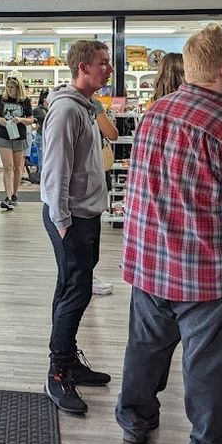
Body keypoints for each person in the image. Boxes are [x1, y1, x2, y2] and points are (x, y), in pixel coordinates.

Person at [115, 25, 222, 444]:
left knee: (145, 349)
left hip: (150, 258)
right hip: (207, 269)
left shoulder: (156, 112)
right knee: (211, 364)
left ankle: (135, 419)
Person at [40, 40, 113, 415]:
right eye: (103, 63)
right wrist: (63, 221)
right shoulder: (67, 111)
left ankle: (67, 360)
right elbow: (55, 170)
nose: (109, 69)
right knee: (75, 292)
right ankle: (57, 372)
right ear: (83, 66)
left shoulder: (85, 108)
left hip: (84, 215)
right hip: (71, 219)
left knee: (71, 288)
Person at [89, 94, 119, 297]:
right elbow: (112, 133)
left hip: (81, 175)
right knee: (91, 227)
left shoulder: (62, 101)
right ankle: (87, 277)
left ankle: (83, 277)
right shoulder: (93, 103)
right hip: (95, 168)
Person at [0, 75, 33, 210]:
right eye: (8, 87)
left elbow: (31, 119)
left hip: (19, 136)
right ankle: (8, 196)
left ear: (18, 88)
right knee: (8, 166)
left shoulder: (24, 101)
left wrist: (20, 120)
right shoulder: (1, 99)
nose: (10, 90)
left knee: (17, 168)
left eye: (12, 87)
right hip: (4, 135)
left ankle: (15, 194)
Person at [33, 88, 49, 168]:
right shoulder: (38, 110)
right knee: (42, 159)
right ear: (44, 99)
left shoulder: (51, 109)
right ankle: (41, 176)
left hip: (50, 136)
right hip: (41, 136)